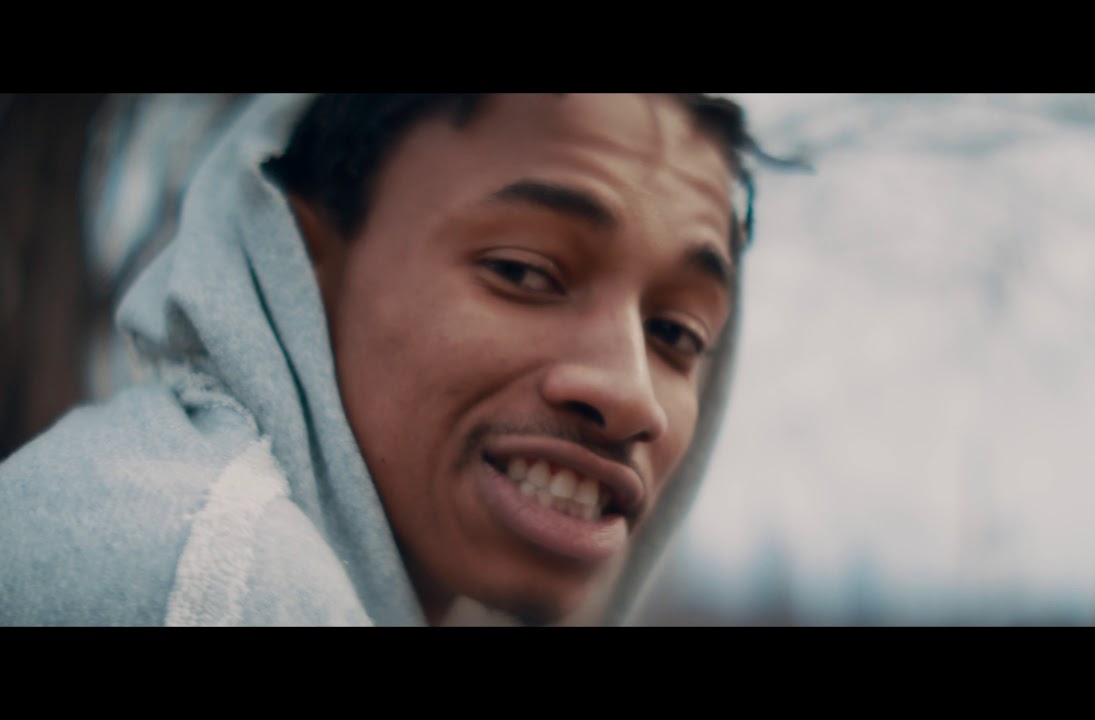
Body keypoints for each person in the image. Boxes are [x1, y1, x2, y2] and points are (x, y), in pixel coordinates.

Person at [0, 93, 766, 626]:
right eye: (524, 271)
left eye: (677, 333)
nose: (633, 394)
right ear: (302, 259)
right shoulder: (221, 585)